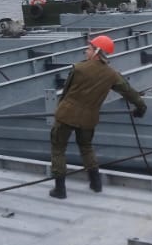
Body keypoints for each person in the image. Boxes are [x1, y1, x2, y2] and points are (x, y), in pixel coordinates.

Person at [48, 35, 146, 197]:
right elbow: (129, 92)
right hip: (89, 119)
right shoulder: (112, 74)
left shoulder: (79, 68)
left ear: (97, 51)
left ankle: (60, 189)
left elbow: (65, 93)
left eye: (89, 49)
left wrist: (59, 109)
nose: (86, 51)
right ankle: (96, 183)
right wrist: (141, 108)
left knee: (58, 149)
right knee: (86, 148)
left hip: (66, 115)